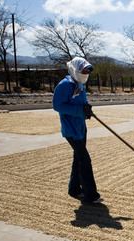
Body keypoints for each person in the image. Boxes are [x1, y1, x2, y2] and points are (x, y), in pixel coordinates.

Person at [53, 57, 103, 204]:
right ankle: (91, 195)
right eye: (83, 70)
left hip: (81, 127)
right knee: (85, 160)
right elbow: (58, 106)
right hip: (70, 129)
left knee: (78, 158)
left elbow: (83, 103)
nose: (85, 73)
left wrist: (87, 109)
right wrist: (80, 110)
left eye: (87, 71)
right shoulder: (64, 85)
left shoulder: (80, 85)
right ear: (75, 69)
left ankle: (74, 189)